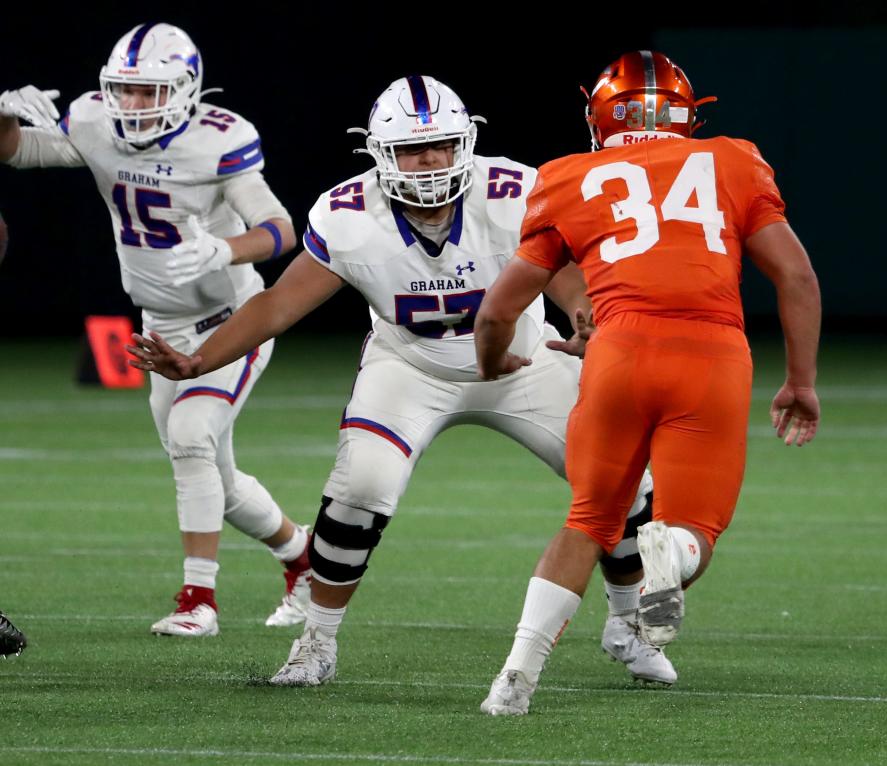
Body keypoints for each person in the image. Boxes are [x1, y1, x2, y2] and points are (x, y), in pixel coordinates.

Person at [127, 75, 670, 686]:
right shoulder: (350, 214)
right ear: (382, 154)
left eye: (439, 144)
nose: (430, 160)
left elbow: (563, 272)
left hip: (526, 361)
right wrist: (201, 360)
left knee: (627, 482)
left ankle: (629, 623)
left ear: (464, 140)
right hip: (413, 365)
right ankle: (317, 643)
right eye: (413, 149)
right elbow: (279, 304)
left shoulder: (516, 191)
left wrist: (582, 312)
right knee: (362, 485)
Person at [475, 50, 822, 715]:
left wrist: (492, 360)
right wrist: (800, 381)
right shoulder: (732, 160)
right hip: (711, 353)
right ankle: (672, 555)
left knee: (587, 521)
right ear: (686, 115)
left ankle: (514, 680)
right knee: (693, 530)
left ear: (601, 116)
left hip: (617, 352)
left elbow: (498, 309)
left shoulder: (568, 176)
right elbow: (796, 276)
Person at [0, 23, 312, 637]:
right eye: (126, 90)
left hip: (234, 319)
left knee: (191, 437)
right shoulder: (94, 121)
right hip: (158, 326)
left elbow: (280, 228)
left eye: (150, 92)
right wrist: (2, 113)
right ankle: (301, 557)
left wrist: (225, 250)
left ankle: (200, 600)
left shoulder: (219, 140)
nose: (134, 105)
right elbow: (16, 152)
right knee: (213, 477)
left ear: (187, 89)